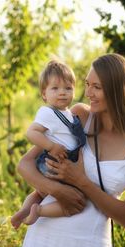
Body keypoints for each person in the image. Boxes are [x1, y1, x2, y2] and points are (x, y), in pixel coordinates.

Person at [11, 53, 125, 247]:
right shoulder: (79, 116)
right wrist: (57, 191)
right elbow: (25, 165)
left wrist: (81, 183)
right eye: (87, 84)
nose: (88, 92)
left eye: (97, 87)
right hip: (45, 243)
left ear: (119, 90)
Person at [11, 60, 86, 229]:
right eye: (55, 88)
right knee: (76, 201)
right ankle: (40, 211)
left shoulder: (68, 113)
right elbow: (31, 132)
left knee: (38, 193)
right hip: (53, 163)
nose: (62, 93)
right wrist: (51, 146)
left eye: (68, 88)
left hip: (58, 163)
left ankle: (24, 211)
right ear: (44, 94)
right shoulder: (47, 112)